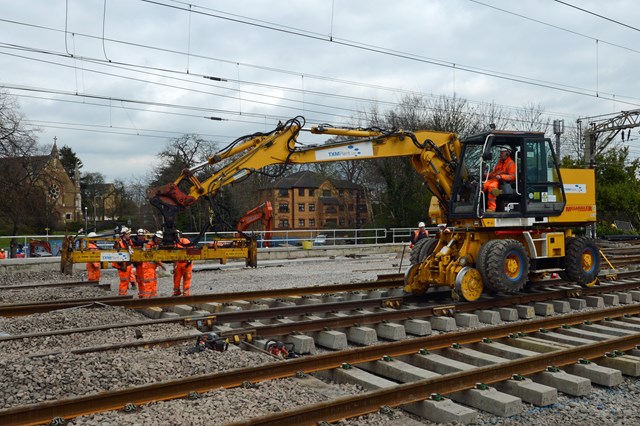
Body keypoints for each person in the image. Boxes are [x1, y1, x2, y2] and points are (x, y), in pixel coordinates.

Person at [483, 145, 516, 212]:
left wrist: (501, 177)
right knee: (483, 185)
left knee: (491, 187)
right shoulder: (499, 162)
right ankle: (478, 205)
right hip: (495, 179)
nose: (500, 154)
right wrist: (486, 175)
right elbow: (494, 173)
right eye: (500, 152)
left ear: (507, 153)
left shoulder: (511, 164)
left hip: (502, 182)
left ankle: (492, 208)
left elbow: (513, 176)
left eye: (502, 153)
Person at [136, 231, 166, 298]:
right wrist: (161, 265)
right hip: (148, 267)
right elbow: (153, 257)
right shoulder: (150, 245)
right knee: (149, 284)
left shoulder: (154, 245)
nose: (159, 240)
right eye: (158, 238)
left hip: (151, 268)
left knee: (153, 283)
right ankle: (147, 299)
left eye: (160, 239)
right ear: (155, 238)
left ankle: (153, 297)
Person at [112, 227, 136, 296]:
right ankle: (122, 295)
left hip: (127, 264)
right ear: (123, 235)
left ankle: (124, 294)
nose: (129, 235)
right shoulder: (118, 243)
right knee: (124, 281)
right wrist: (121, 264)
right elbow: (116, 255)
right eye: (128, 234)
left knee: (126, 281)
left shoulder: (127, 241)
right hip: (122, 265)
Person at [173, 230, 193, 296]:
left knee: (187, 278)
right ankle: (176, 292)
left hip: (187, 263)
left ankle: (186, 293)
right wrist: (174, 264)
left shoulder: (185, 241)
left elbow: (192, 250)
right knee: (176, 279)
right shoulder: (173, 244)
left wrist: (189, 260)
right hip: (178, 263)